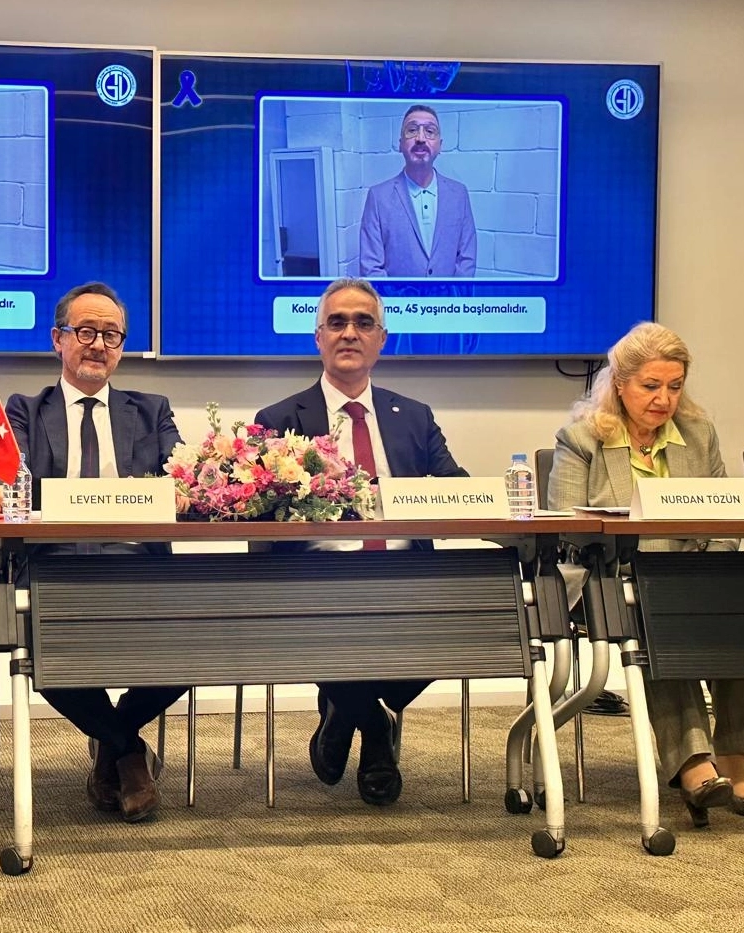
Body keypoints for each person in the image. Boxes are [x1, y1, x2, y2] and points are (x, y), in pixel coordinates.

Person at [546, 321, 744, 826]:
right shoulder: (582, 437)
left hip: (692, 575)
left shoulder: (698, 434)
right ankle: (694, 765)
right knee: (655, 613)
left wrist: (711, 567)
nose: (663, 399)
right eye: (651, 386)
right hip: (612, 581)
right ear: (620, 384)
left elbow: (727, 519)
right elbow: (565, 526)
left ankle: (735, 758)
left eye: (674, 386)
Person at [0, 282, 186, 822]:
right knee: (37, 642)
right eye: (86, 331)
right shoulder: (24, 410)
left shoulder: (152, 410)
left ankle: (112, 742)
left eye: (111, 335)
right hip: (55, 567)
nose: (98, 344)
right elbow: (7, 475)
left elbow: (181, 477)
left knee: (196, 638)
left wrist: (186, 490)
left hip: (138, 566)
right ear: (58, 339)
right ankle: (128, 752)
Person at [254, 277, 467, 806]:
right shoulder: (278, 420)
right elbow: (262, 510)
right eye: (337, 322)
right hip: (314, 576)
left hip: (406, 569)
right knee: (320, 616)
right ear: (318, 337)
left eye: (363, 323)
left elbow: (456, 486)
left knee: (469, 615)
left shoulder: (413, 415)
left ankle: (342, 710)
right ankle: (374, 724)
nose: (350, 332)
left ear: (381, 339)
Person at [358, 105, 476, 278]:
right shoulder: (378, 197)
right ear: (400, 144)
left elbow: (467, 259)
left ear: (440, 145)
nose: (420, 138)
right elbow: (371, 267)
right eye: (412, 130)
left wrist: (453, 295)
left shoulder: (459, 195)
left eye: (430, 131)